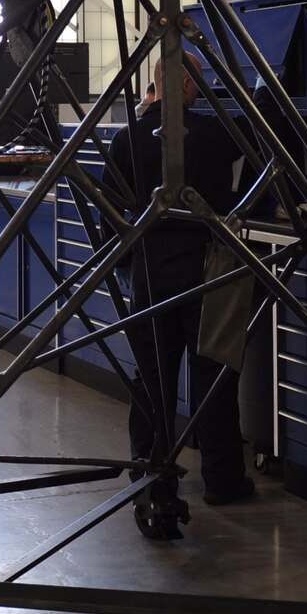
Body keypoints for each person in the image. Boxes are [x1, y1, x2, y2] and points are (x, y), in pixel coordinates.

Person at [102, 54, 257, 538]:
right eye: (202, 82)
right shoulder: (216, 133)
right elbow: (258, 166)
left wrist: (128, 267)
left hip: (150, 275)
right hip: (205, 272)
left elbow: (109, 214)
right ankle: (222, 480)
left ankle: (153, 482)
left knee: (152, 382)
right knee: (213, 375)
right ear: (187, 84)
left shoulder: (127, 138)